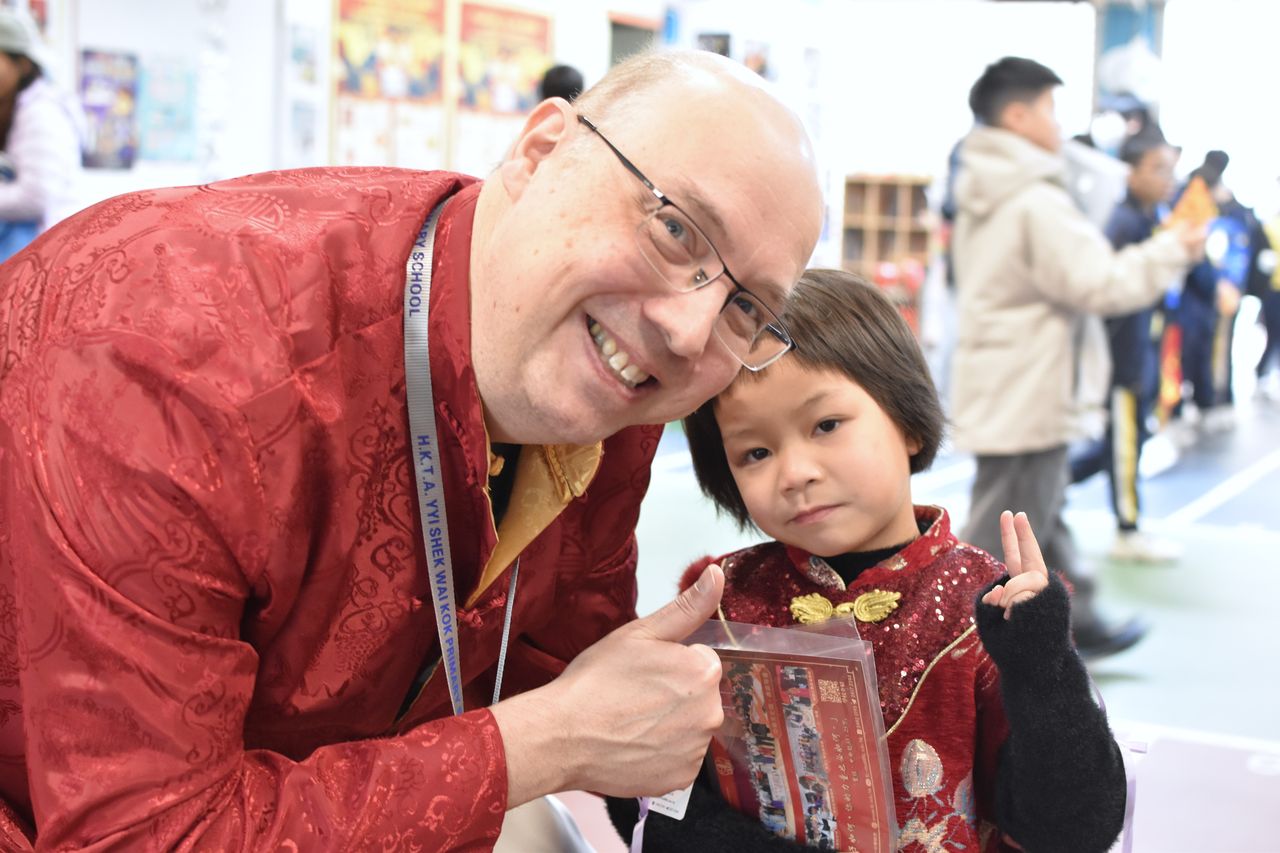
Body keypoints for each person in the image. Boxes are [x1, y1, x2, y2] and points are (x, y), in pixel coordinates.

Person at [0, 49, 824, 849]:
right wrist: (543, 742)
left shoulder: (607, 372)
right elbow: (147, 831)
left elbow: (568, 659)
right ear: (541, 151)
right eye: (674, 229)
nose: (688, 331)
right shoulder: (172, 365)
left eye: (746, 308)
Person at [607, 270, 1127, 852]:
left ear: (906, 421)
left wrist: (1041, 662)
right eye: (755, 452)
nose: (795, 473)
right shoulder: (721, 599)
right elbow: (649, 796)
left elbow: (1074, 830)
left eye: (826, 425)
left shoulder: (989, 611)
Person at [950, 57, 1203, 659]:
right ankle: (951, 639)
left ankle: (1079, 618)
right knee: (1006, 526)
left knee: (1037, 510)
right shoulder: (1031, 197)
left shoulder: (989, 188)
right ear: (1018, 115)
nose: (1058, 123)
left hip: (1013, 377)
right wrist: (1172, 249)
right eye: (1049, 108)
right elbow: (1098, 283)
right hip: (1029, 382)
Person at [1070, 131, 1184, 563]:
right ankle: (1127, 529)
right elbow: (1109, 296)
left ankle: (1054, 487)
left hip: (1142, 353)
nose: (1167, 178)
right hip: (1122, 359)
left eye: (1170, 169)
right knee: (1123, 447)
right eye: (1158, 169)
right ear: (1130, 172)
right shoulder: (1123, 224)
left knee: (1122, 444)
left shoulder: (1151, 219)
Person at [0, 7, 83, 259]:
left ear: (23, 64)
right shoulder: (13, 108)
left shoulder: (41, 113)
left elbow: (37, 195)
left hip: (43, 253)